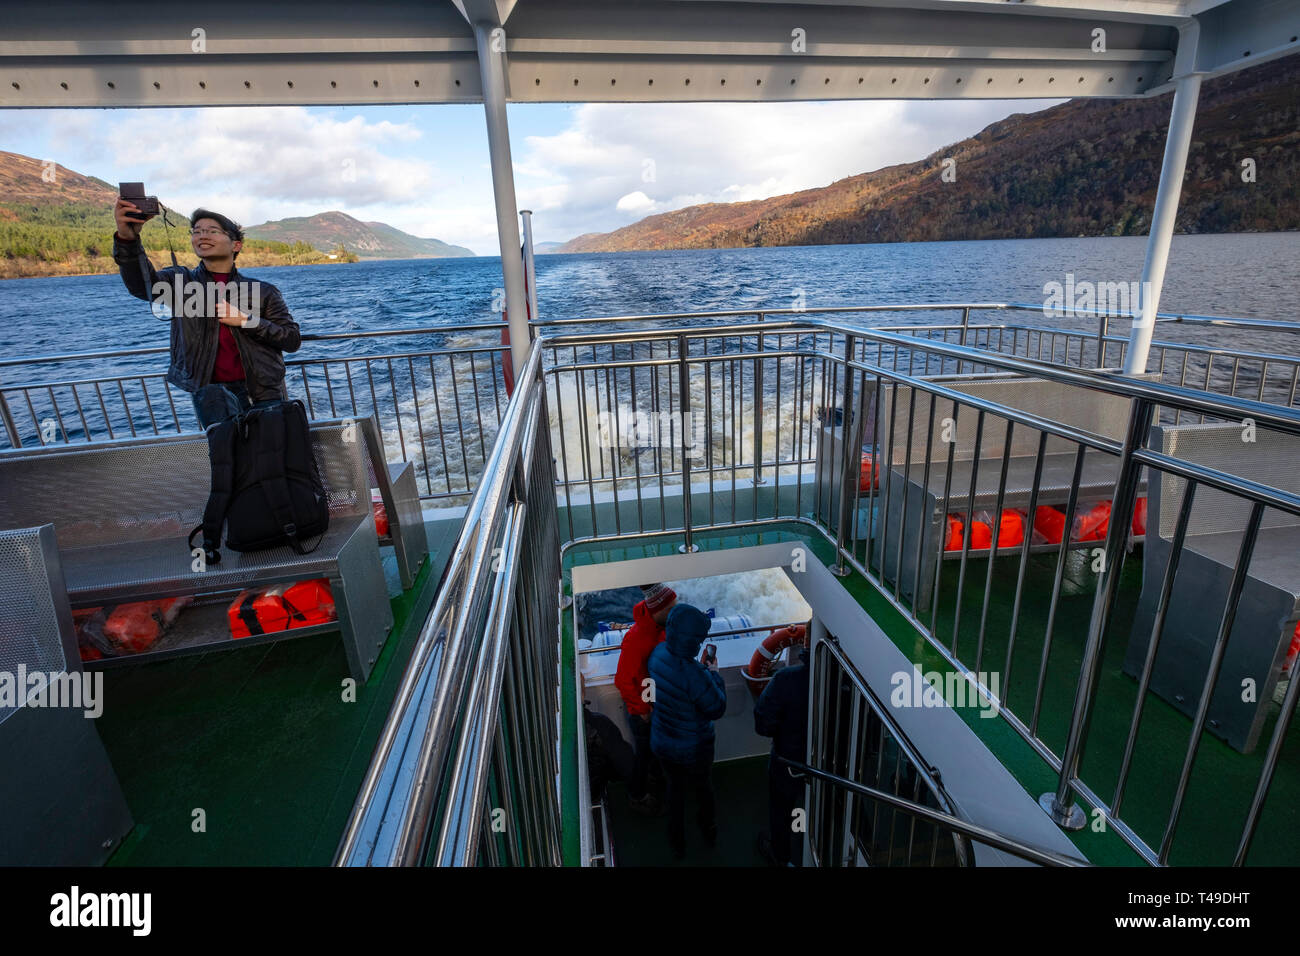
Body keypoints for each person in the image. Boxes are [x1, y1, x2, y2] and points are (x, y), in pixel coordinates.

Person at [112, 198, 301, 429]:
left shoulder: (263, 291)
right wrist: (128, 239)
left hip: (263, 392)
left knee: (273, 456)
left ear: (236, 245)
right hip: (211, 394)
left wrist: (246, 320)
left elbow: (291, 339)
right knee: (228, 459)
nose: (202, 236)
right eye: (197, 231)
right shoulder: (179, 283)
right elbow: (142, 286)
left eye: (212, 231)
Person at [647, 603, 726, 859]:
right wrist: (714, 674)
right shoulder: (696, 674)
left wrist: (702, 671)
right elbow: (716, 708)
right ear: (693, 641)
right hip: (694, 748)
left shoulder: (657, 654)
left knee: (675, 790)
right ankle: (709, 829)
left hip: (662, 742)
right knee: (703, 787)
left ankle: (677, 843)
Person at [613, 583, 676, 814]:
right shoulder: (636, 639)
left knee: (657, 751)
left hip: (657, 705)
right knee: (644, 754)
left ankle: (658, 781)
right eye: (670, 608)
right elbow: (622, 679)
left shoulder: (662, 630)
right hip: (644, 713)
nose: (674, 612)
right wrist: (642, 709)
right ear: (657, 610)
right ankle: (637, 796)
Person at [753, 642, 810, 867]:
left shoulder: (786, 679)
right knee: (833, 801)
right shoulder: (851, 678)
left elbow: (763, 724)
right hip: (833, 762)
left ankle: (780, 855)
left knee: (781, 809)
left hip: (789, 760)